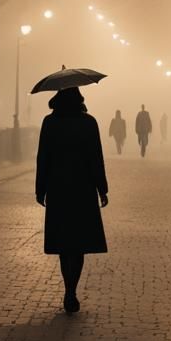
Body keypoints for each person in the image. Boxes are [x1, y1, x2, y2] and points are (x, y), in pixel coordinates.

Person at [35, 87, 109, 314]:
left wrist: (41, 189)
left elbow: (43, 157)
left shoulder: (50, 122)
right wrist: (102, 189)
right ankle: (72, 290)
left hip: (58, 189)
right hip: (83, 189)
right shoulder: (89, 123)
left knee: (64, 243)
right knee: (78, 244)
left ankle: (67, 286)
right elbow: (96, 157)